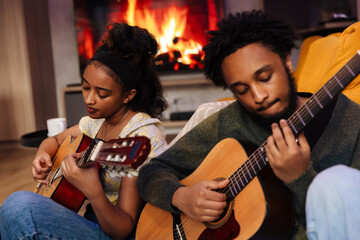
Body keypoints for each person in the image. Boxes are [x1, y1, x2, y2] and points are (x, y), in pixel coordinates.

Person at [136, 10, 360, 239]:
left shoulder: (351, 124)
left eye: (265, 78)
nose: (258, 96)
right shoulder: (229, 121)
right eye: (242, 90)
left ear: (286, 62)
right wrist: (181, 197)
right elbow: (151, 172)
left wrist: (299, 177)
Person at [0, 22, 168, 240]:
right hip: (90, 220)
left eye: (102, 93)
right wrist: (43, 154)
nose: (89, 99)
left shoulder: (141, 138)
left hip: (117, 232)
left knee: (19, 207)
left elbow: (123, 229)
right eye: (86, 86)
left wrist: (93, 191)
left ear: (128, 96)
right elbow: (53, 140)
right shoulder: (96, 122)